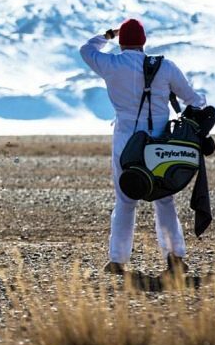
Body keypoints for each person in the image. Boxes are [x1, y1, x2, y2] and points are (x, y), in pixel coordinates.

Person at [80, 19, 207, 276]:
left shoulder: (111, 65)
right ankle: (175, 258)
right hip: (160, 143)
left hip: (125, 142)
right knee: (164, 199)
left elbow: (86, 50)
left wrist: (107, 35)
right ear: (144, 42)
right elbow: (194, 100)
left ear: (122, 41)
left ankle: (117, 261)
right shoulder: (165, 66)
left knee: (125, 201)